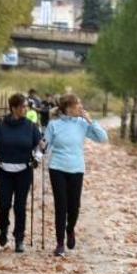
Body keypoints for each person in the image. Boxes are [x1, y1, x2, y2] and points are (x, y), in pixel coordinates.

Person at [43, 93, 109, 257]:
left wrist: (90, 121)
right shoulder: (54, 125)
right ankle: (59, 244)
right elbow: (45, 145)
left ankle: (70, 229)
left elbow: (103, 138)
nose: (81, 107)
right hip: (57, 167)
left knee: (74, 206)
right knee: (61, 205)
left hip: (76, 168)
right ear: (68, 108)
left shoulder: (82, 124)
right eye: (77, 105)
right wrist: (40, 149)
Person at [0, 93, 42, 252]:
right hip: (4, 169)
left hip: (24, 170)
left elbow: (39, 146)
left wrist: (37, 157)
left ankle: (19, 238)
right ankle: (3, 228)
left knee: (20, 205)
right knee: (4, 204)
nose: (26, 109)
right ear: (14, 108)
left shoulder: (31, 126)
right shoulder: (1, 124)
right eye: (23, 106)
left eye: (26, 106)